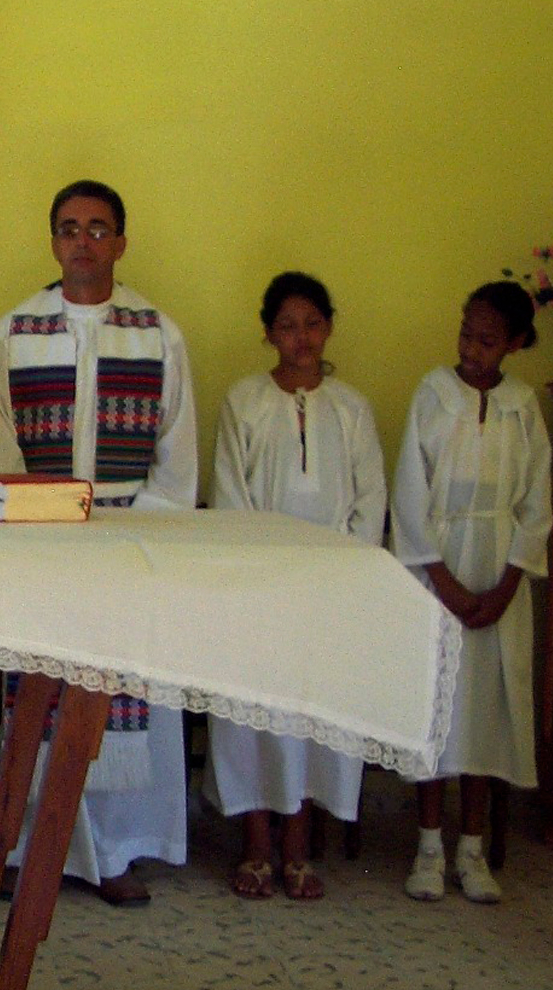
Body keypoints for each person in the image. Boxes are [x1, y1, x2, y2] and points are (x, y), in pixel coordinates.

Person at [0, 179, 196, 907]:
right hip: (41, 546)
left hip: (128, 547)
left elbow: (177, 458)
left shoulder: (156, 334)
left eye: (98, 228)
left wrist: (136, 538)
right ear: (52, 241)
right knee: (41, 692)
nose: (83, 241)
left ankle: (117, 852)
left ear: (121, 242)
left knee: (119, 696)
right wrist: (33, 524)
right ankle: (34, 844)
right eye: (69, 228)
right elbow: (1, 445)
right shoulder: (16, 331)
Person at [204, 271, 386, 900]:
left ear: (329, 327)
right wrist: (262, 573)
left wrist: (342, 572)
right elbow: (231, 493)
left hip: (332, 587)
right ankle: (255, 847)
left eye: (312, 323)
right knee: (255, 713)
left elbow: (370, 501)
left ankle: (299, 849)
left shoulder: (352, 408)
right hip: (259, 582)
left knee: (314, 714)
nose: (301, 336)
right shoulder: (244, 400)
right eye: (287, 325)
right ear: (267, 334)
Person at [393, 281, 551, 904]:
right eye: (465, 333)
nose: (471, 350)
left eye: (487, 340)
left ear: (514, 344)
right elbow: (410, 493)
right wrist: (444, 583)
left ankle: (472, 849)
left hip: (498, 570)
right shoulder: (433, 394)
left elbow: (537, 507)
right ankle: (428, 844)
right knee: (436, 707)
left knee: (484, 710)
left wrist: (507, 584)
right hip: (440, 568)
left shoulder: (522, 406)